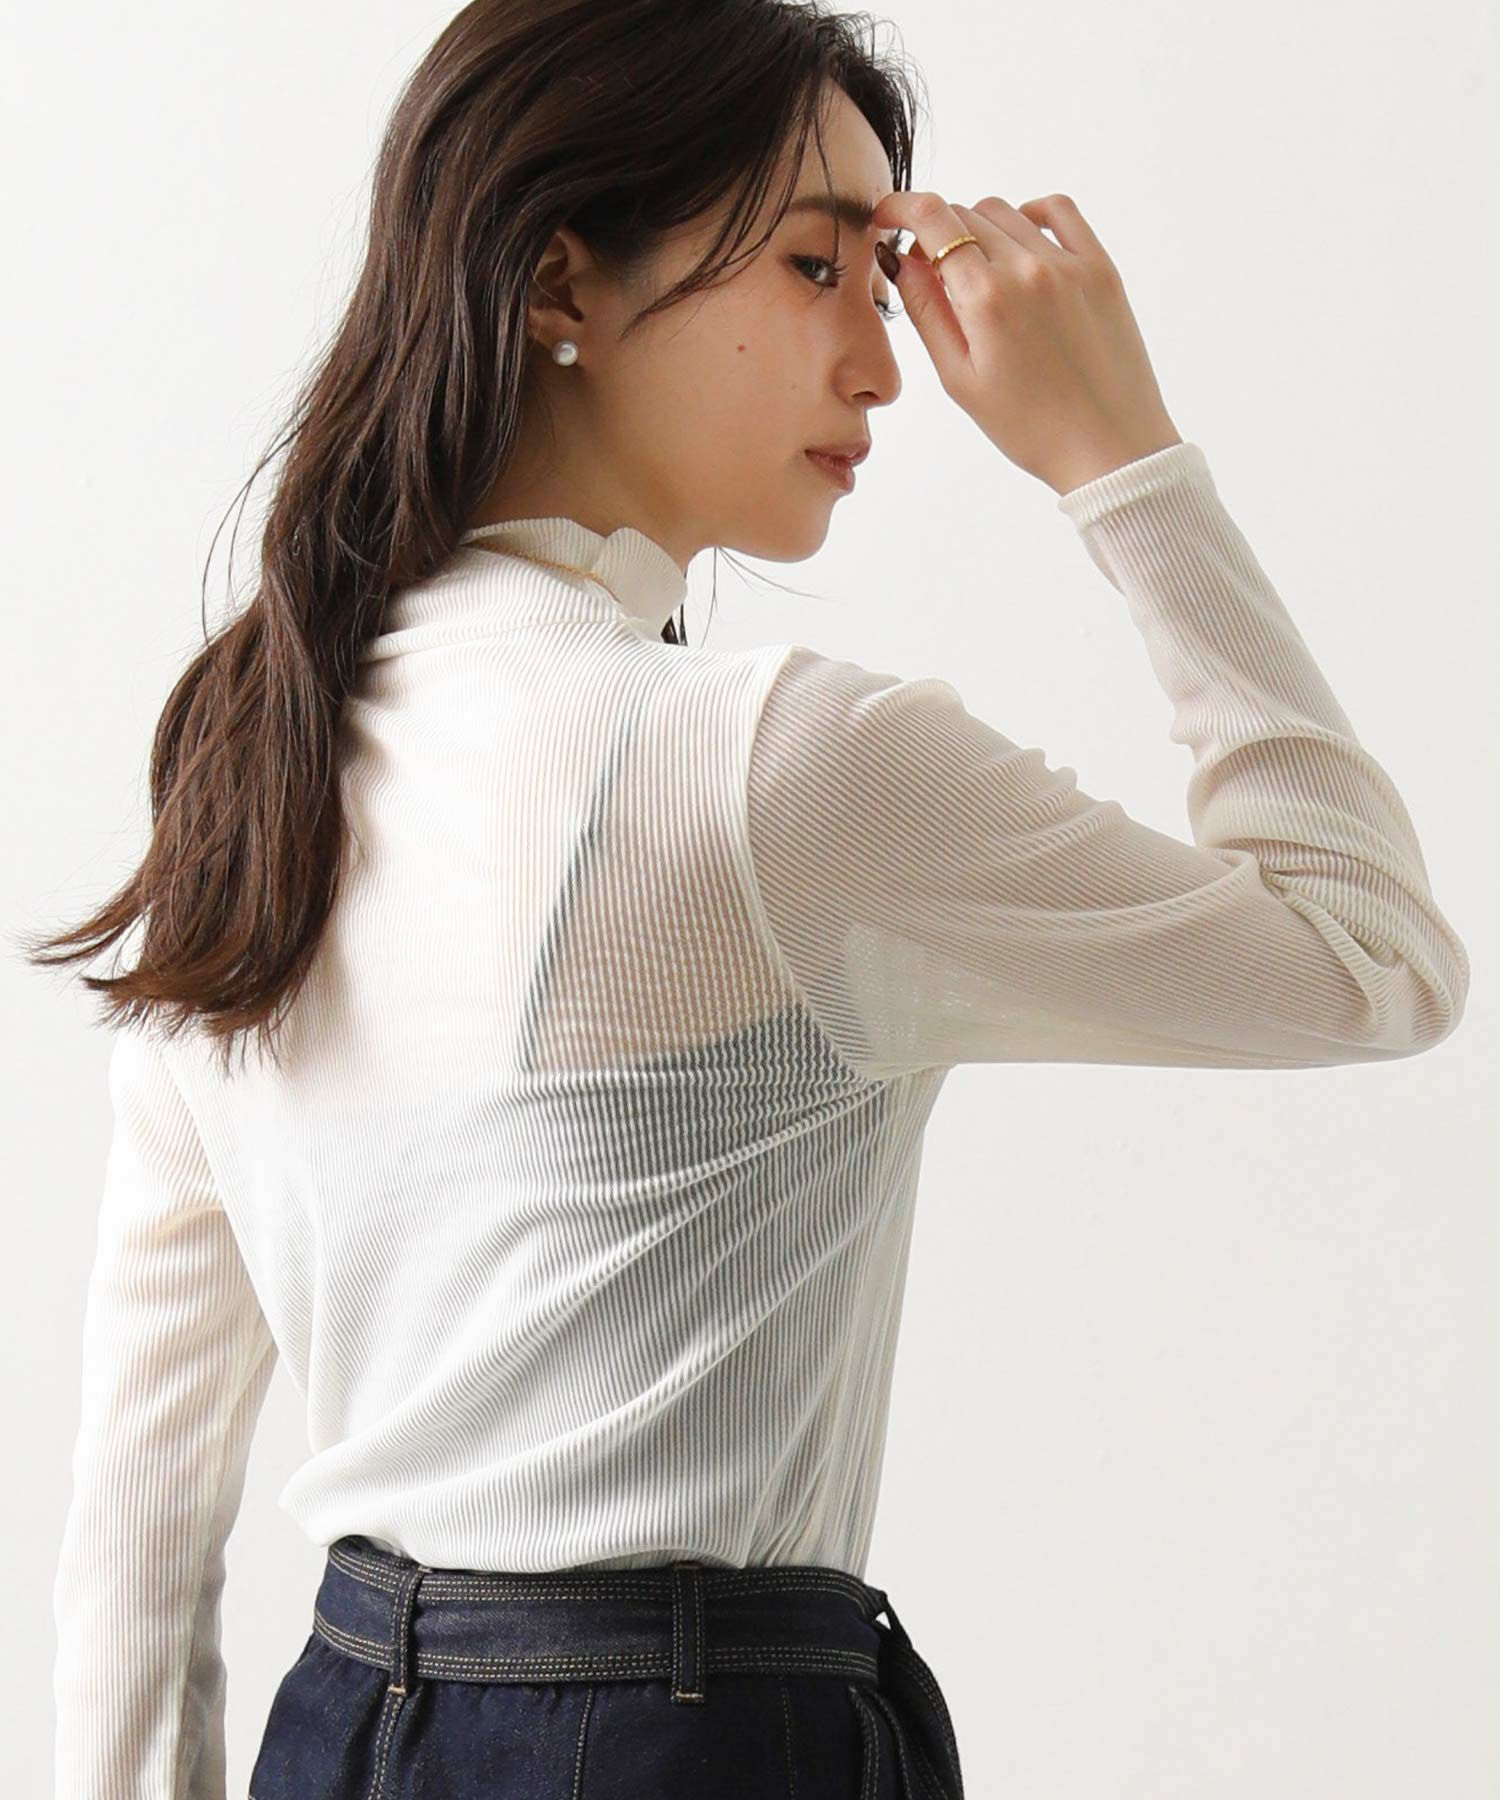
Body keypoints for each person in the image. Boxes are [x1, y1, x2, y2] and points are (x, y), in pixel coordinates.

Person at [30, 0, 1468, 1795]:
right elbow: (1371, 956)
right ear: (558, 281)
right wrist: (1123, 458)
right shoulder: (768, 766)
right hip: (681, 1740)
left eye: (885, 280)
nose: (882, 366)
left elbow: (139, 1512)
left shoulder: (257, 760)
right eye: (815, 266)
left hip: (345, 1730)